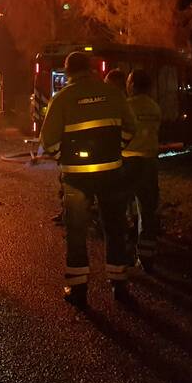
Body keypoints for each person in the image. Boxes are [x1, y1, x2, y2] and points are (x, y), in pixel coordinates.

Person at [40, 51, 137, 307]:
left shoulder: (61, 99)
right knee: (115, 228)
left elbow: (48, 141)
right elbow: (131, 127)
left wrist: (65, 159)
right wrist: (116, 147)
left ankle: (79, 289)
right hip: (111, 172)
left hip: (76, 178)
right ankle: (119, 285)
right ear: (92, 69)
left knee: (76, 231)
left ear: (68, 71)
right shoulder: (114, 93)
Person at [123, 69, 162, 273]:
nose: (127, 86)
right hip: (149, 164)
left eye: (129, 82)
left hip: (128, 163)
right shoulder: (155, 108)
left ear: (134, 85)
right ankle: (146, 258)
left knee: (121, 210)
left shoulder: (127, 106)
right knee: (147, 211)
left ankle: (124, 255)